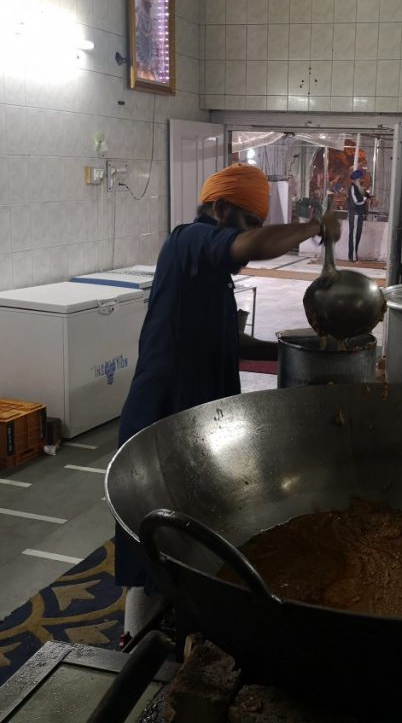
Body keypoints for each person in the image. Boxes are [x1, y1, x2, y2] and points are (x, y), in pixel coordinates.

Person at [114, 163, 341, 645]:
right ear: (218, 209)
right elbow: (252, 248)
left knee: (194, 532)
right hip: (163, 411)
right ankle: (135, 643)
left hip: (201, 414)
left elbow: (231, 343)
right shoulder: (188, 240)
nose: (252, 239)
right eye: (248, 224)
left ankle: (190, 628)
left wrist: (296, 348)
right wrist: (317, 226)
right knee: (153, 543)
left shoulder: (211, 274)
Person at [347, 169, 373, 262]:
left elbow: (367, 196)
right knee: (354, 236)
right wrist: (365, 199)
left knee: (357, 236)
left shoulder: (359, 188)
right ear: (356, 179)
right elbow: (356, 202)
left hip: (359, 215)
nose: (361, 180)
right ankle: (353, 258)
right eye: (360, 178)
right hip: (355, 215)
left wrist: (369, 197)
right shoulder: (353, 188)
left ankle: (354, 256)